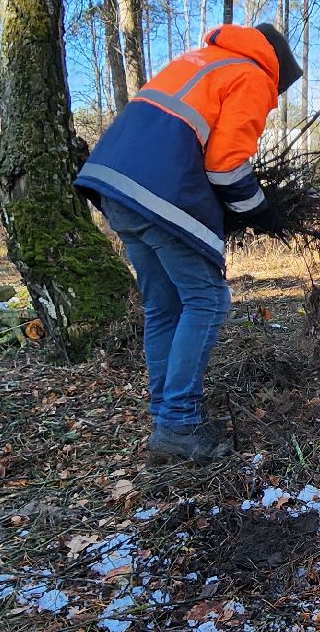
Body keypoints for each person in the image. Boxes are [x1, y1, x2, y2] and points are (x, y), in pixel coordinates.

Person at [76, 23, 302, 464]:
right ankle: (178, 422)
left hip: (114, 187)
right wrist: (259, 210)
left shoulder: (198, 61)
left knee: (165, 307)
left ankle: (165, 416)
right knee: (208, 300)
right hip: (156, 192)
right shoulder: (253, 74)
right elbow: (225, 165)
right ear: (277, 75)